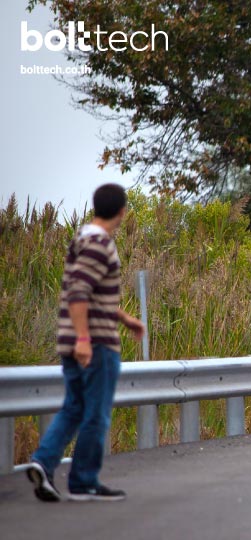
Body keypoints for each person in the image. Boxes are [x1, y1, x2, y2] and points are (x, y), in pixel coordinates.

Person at [26, 183, 144, 502]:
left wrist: (125, 318)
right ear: (122, 211)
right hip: (94, 344)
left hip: (73, 338)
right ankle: (83, 481)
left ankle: (43, 462)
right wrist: (84, 340)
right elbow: (79, 291)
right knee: (96, 413)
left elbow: (88, 293)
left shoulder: (81, 238)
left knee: (74, 407)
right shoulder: (100, 243)